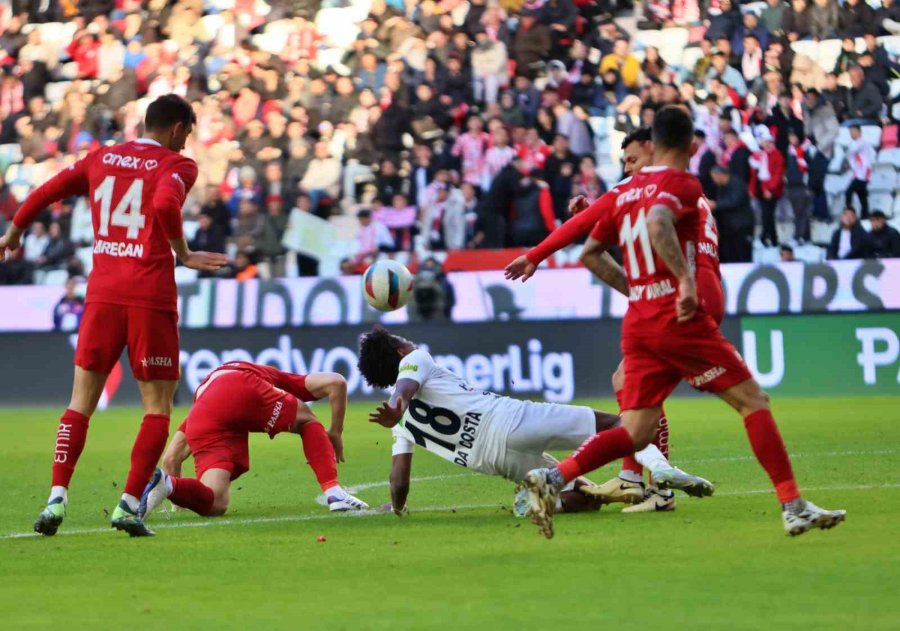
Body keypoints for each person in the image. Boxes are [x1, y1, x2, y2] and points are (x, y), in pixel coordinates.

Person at [518, 106, 845, 539]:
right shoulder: (682, 184)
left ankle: (553, 477)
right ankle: (793, 505)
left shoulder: (624, 193)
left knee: (635, 430)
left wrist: (634, 288)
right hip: (679, 317)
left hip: (640, 323)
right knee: (753, 401)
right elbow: (658, 223)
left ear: (653, 144)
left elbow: (590, 253)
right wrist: (685, 281)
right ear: (692, 145)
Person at [0, 94, 228, 537]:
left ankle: (56, 498)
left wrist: (14, 232)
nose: (186, 143)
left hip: (102, 295)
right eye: (187, 133)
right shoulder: (177, 165)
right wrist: (183, 254)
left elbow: (45, 192)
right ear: (177, 128)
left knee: (79, 402)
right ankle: (127, 504)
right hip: (149, 296)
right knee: (157, 407)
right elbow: (164, 206)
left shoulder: (101, 158)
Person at [504, 127, 720, 512]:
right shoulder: (682, 190)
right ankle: (636, 479)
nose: (628, 168)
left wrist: (536, 255)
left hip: (681, 302)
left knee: (636, 388)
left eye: (633, 159)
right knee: (630, 383)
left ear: (654, 152)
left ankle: (650, 484)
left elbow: (591, 224)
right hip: (689, 296)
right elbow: (623, 226)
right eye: (624, 162)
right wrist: (595, 217)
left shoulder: (654, 187)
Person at [359, 328, 711, 518]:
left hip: (496, 461)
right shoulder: (415, 360)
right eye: (404, 339)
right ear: (400, 351)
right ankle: (660, 471)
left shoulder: (399, 426)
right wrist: (396, 405)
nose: (411, 342)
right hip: (510, 420)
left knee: (585, 499)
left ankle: (543, 501)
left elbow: (399, 479)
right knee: (617, 424)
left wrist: (397, 507)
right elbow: (404, 388)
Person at [140, 362, 368, 521]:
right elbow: (337, 382)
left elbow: (171, 459)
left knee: (216, 503)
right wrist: (335, 432)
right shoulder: (277, 377)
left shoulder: (205, 402)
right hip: (239, 385)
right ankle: (334, 491)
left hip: (205, 412)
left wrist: (179, 503)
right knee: (307, 419)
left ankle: (168, 485)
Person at [710, 166, 755, 263]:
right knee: (730, 255)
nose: (714, 181)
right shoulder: (721, 188)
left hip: (741, 226)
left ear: (720, 175)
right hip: (728, 229)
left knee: (743, 255)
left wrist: (716, 205)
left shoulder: (738, 185)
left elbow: (734, 202)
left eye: (714, 177)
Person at [845, 125, 874, 219]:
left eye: (853, 132)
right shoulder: (855, 143)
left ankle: (849, 212)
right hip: (858, 172)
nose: (851, 134)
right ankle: (864, 215)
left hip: (863, 173)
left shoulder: (862, 143)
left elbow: (852, 152)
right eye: (850, 132)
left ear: (859, 132)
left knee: (849, 192)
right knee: (861, 195)